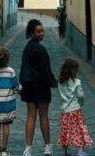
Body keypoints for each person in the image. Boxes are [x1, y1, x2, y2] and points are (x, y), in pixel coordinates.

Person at [19, 19, 58, 156]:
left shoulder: (27, 49)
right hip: (41, 86)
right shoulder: (41, 50)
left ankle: (28, 148)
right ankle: (47, 146)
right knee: (43, 116)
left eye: (42, 31)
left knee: (31, 116)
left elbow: (23, 69)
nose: (41, 34)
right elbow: (46, 70)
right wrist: (54, 83)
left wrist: (22, 84)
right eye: (38, 31)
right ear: (32, 33)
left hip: (29, 86)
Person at [0, 47, 21, 156]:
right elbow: (16, 86)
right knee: (6, 125)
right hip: (8, 104)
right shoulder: (10, 71)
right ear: (7, 59)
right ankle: (4, 150)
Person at [56, 58, 93, 156]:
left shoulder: (60, 82)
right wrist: (80, 103)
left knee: (65, 130)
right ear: (73, 70)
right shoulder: (77, 82)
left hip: (65, 110)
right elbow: (80, 96)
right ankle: (80, 150)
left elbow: (61, 94)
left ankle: (64, 152)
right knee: (79, 129)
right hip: (75, 110)